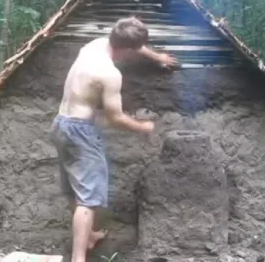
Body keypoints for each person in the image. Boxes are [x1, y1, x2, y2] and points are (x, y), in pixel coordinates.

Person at [50, 17, 177, 262]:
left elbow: (134, 43)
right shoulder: (109, 73)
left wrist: (157, 57)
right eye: (135, 50)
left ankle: (89, 236)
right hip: (79, 131)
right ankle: (79, 258)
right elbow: (115, 117)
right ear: (128, 49)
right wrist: (143, 127)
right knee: (88, 198)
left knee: (73, 188)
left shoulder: (93, 46)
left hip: (59, 124)